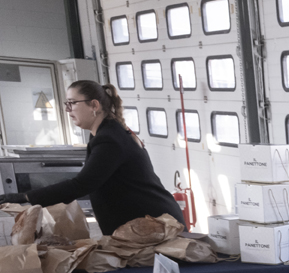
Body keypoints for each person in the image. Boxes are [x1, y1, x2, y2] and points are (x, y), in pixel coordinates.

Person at [0, 81, 184, 236]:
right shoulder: (104, 132)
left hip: (153, 224)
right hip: (142, 224)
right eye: (66, 104)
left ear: (94, 105)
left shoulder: (109, 139)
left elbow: (82, 184)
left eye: (72, 103)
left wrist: (24, 196)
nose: (68, 110)